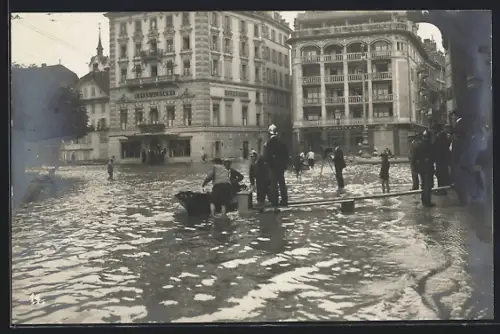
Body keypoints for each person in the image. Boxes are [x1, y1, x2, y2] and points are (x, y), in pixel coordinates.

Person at [263, 124, 289, 209]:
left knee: (273, 185)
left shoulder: (269, 143)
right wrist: (284, 165)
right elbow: (286, 154)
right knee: (282, 184)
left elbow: (266, 156)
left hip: (273, 167)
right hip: (281, 167)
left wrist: (269, 164)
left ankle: (274, 202)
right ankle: (284, 201)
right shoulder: (281, 141)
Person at [415, 130, 435, 207]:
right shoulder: (430, 145)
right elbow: (433, 157)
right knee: (428, 185)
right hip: (428, 168)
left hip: (421, 168)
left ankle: (423, 200)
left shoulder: (420, 145)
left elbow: (416, 157)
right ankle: (427, 202)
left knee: (423, 184)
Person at [434, 126, 452, 195]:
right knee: (443, 175)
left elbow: (436, 150)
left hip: (440, 161)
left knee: (440, 176)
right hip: (444, 161)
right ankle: (443, 189)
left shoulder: (439, 141)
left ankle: (441, 190)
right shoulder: (446, 141)